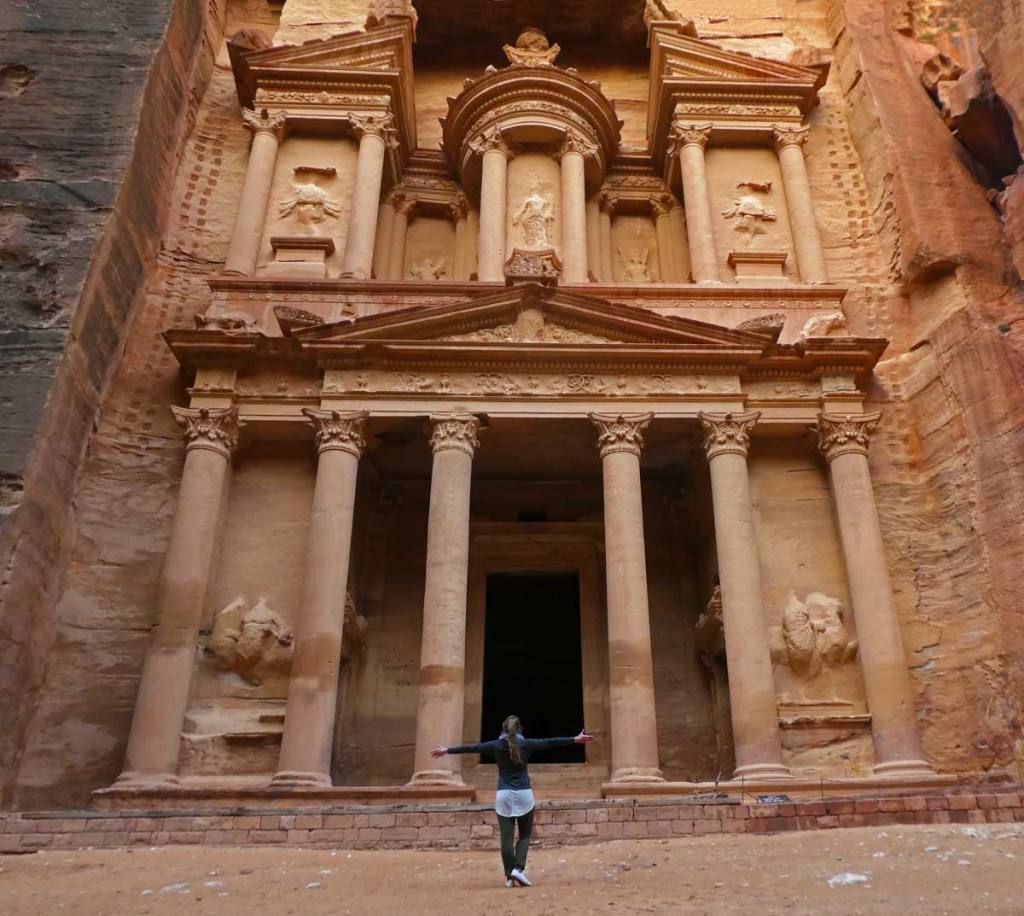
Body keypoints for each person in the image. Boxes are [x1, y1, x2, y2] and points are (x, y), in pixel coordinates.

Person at [431, 716, 594, 888]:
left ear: (502, 730)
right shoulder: (527, 744)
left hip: (504, 794)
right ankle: (518, 869)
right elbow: (550, 742)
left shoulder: (495, 746)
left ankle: (510, 877)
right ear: (520, 729)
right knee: (525, 835)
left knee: (506, 838)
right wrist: (575, 739)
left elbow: (471, 747)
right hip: (524, 793)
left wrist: (447, 750)